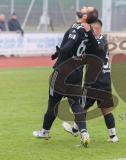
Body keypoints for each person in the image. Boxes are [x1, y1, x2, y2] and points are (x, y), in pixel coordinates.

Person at [32, 6, 99, 148]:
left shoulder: (77, 27)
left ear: (85, 16)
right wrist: (60, 53)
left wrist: (61, 51)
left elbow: (70, 44)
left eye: (86, 8)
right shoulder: (89, 31)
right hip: (77, 73)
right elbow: (95, 49)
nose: (83, 7)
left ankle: (45, 131)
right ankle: (84, 132)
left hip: (63, 72)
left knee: (53, 104)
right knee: (76, 104)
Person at [62, 19, 119, 143]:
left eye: (91, 28)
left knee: (81, 108)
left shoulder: (93, 43)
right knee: (105, 110)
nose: (88, 30)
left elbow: (83, 52)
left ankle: (76, 130)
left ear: (96, 29)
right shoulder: (105, 40)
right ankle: (113, 136)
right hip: (106, 80)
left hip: (94, 81)